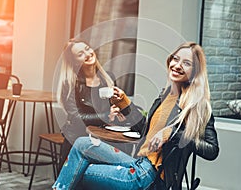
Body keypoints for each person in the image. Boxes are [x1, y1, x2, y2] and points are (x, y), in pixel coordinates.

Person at [52, 42, 219, 190]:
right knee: (83, 143)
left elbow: (212, 150)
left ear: (195, 71)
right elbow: (143, 129)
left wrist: (171, 134)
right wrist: (124, 103)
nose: (177, 65)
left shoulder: (196, 104)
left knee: (79, 170)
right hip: (139, 162)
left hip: (149, 174)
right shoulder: (167, 95)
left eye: (186, 63)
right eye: (175, 59)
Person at [56, 39, 135, 169]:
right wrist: (106, 116)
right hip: (79, 139)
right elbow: (76, 117)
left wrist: (118, 108)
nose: (87, 54)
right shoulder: (70, 83)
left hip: (105, 138)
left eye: (87, 48)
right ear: (74, 62)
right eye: (80, 54)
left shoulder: (107, 77)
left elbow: (112, 108)